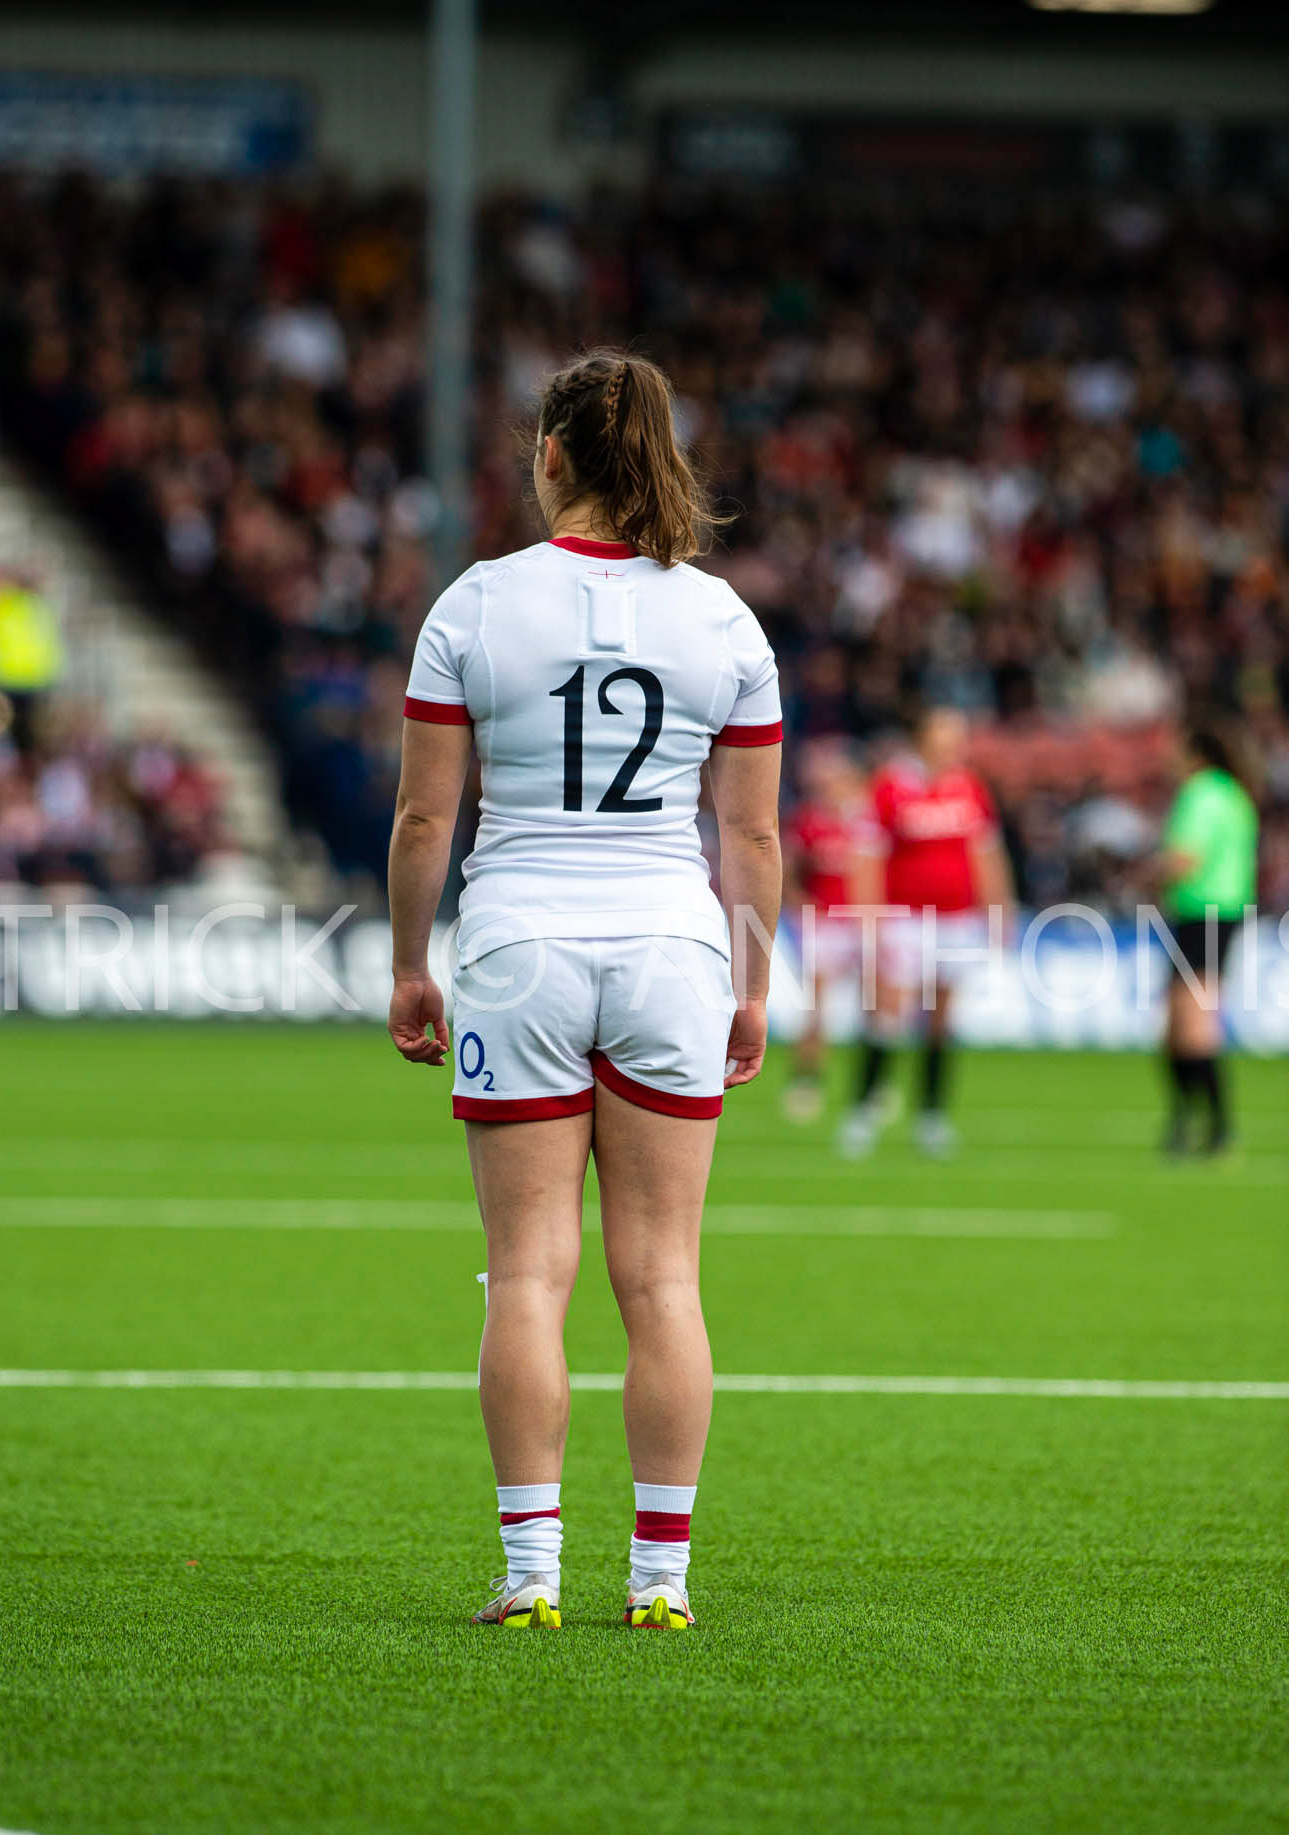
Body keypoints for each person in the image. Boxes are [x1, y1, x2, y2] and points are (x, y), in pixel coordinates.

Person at [386, 351, 782, 1630]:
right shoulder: (721, 619)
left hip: (519, 946)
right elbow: (755, 840)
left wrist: (408, 963)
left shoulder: (476, 605)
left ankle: (531, 1574)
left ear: (548, 454)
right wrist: (753, 982)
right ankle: (659, 1581)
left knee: (527, 1275)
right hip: (671, 944)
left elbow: (422, 817)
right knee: (663, 1278)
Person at [841, 705, 1013, 1160]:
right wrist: (869, 916)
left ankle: (932, 1116)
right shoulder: (891, 786)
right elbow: (867, 856)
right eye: (945, 736)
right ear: (922, 738)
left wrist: (1001, 909)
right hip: (905, 918)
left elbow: (986, 853)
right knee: (888, 1014)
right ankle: (864, 1109)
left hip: (957, 920)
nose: (954, 746)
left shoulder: (968, 788)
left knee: (941, 1020)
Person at [1155, 722, 1258, 1155]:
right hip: (1225, 912)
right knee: (1182, 1026)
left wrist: (1141, 875)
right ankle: (1192, 1122)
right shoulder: (1235, 794)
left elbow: (1184, 858)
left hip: (1203, 914)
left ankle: (1211, 1126)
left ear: (1196, 754)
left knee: (1191, 1028)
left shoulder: (1200, 794)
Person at [780, 739, 873, 1124]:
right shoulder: (810, 821)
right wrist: (800, 905)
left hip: (862, 922)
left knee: (875, 1007)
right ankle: (806, 1081)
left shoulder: (866, 825)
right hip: (824, 923)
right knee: (818, 1007)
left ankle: (871, 1085)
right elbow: (788, 870)